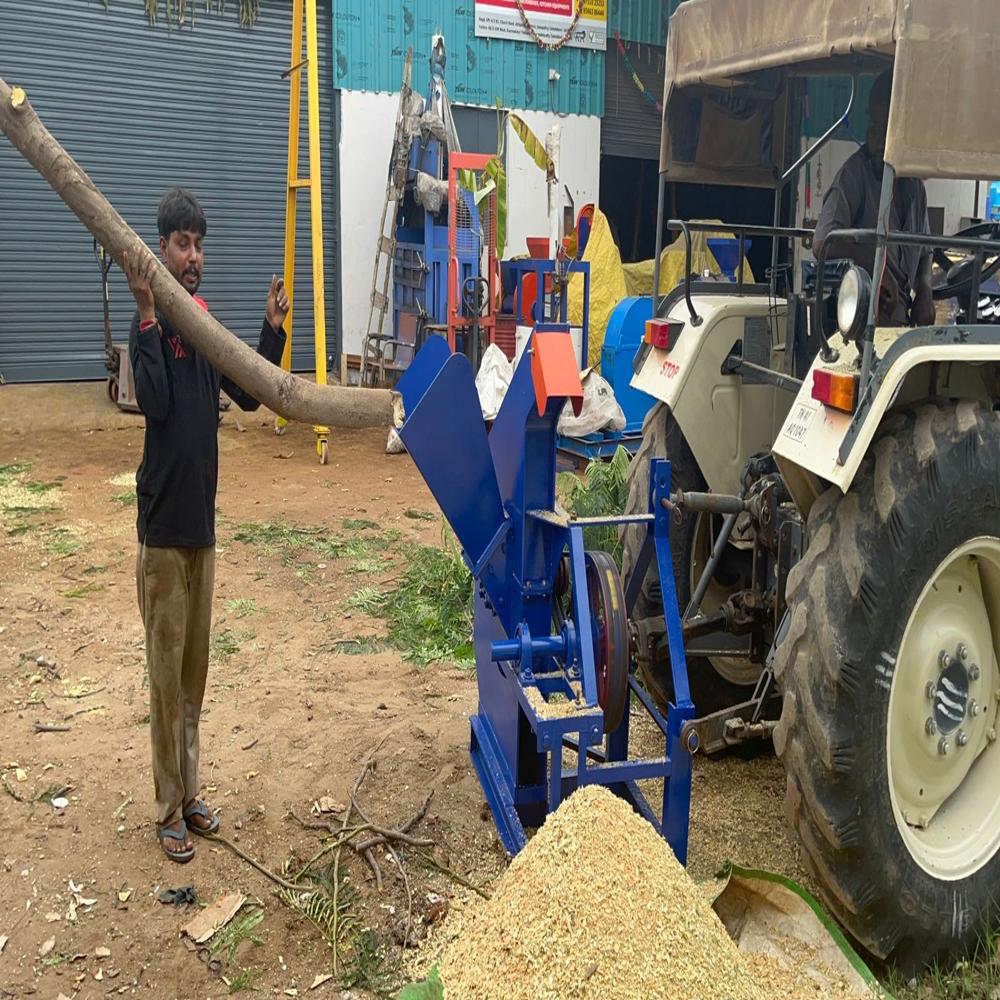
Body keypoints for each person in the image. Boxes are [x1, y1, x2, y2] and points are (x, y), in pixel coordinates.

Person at [122, 188, 289, 863]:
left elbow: (249, 391)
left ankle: (191, 794)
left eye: (199, 243)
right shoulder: (156, 329)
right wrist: (144, 310)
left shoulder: (202, 322)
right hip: (163, 534)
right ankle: (167, 809)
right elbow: (157, 404)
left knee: (193, 677)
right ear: (161, 249)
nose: (194, 256)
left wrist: (272, 329)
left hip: (203, 531)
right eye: (182, 243)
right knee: (165, 679)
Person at [813, 69, 935, 327]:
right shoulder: (855, 174)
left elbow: (925, 251)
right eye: (874, 127)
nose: (877, 140)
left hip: (901, 324)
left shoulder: (915, 188)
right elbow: (822, 241)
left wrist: (924, 289)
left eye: (886, 130)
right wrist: (875, 268)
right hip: (859, 321)